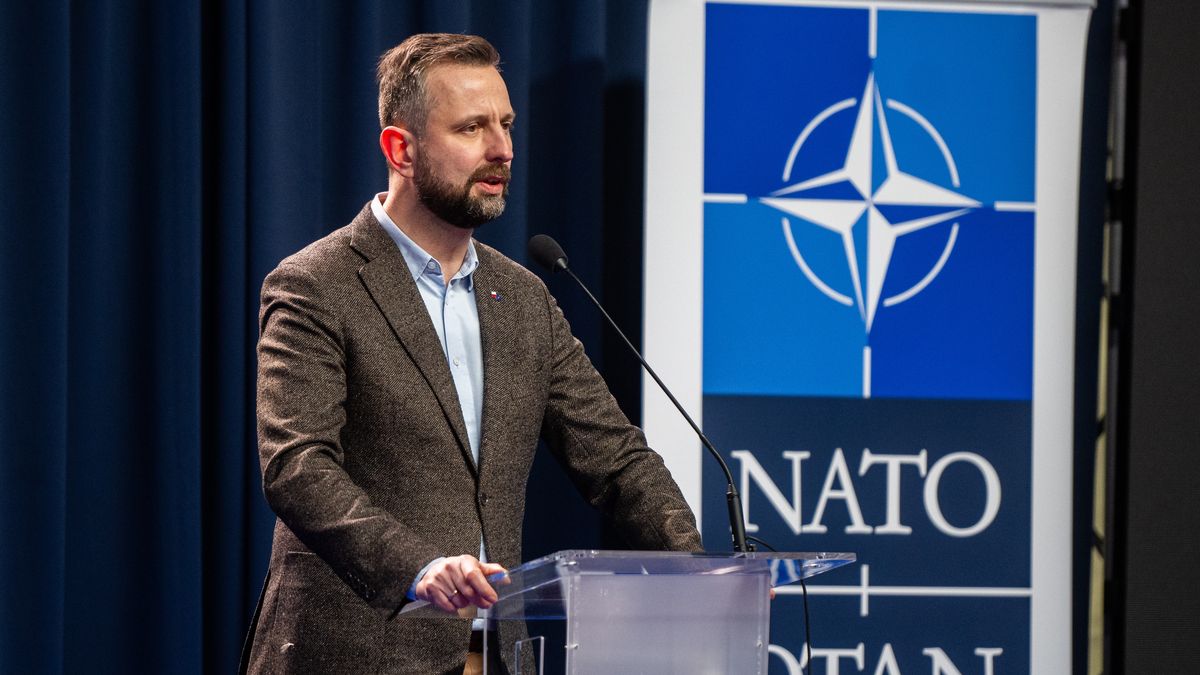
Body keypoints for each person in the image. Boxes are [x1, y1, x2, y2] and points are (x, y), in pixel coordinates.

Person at [240, 33, 703, 675]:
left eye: (506, 124)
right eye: (472, 128)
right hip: (353, 654)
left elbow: (616, 459)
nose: (502, 150)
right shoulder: (316, 284)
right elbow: (297, 466)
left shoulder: (525, 297)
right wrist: (420, 568)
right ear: (401, 149)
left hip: (490, 657)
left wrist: (703, 568)